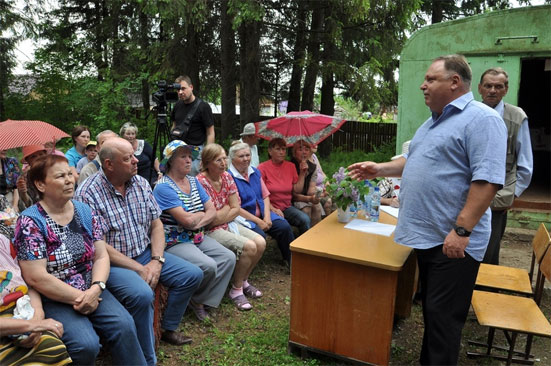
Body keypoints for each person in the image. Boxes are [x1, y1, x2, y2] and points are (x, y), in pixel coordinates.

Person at [348, 54, 507, 365]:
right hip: (431, 237)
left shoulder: (482, 120)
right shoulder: (434, 121)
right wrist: (378, 169)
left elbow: (487, 181)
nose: (423, 85)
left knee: (444, 319)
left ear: (455, 82)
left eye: (431, 79)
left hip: (454, 242)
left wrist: (461, 231)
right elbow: (413, 161)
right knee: (434, 311)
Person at [75, 137, 203, 364]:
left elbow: (156, 224)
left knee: (192, 275)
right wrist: (139, 268)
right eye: (128, 158)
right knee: (142, 294)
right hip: (112, 263)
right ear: (109, 164)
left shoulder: (141, 183)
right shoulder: (88, 193)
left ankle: (167, 328)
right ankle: (147, 358)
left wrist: (156, 260)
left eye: (134, 155)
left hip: (144, 252)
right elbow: (99, 247)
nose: (136, 161)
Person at [13, 154, 146, 365]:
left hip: (90, 286)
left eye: (69, 174)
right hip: (54, 295)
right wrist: (80, 298)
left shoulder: (84, 211)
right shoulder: (30, 221)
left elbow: (100, 256)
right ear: (40, 184)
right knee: (86, 344)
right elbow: (35, 276)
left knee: (124, 325)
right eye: (60, 176)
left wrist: (96, 288)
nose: (69, 180)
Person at [153, 140, 235, 321]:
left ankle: (201, 299)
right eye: (183, 156)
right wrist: (199, 216)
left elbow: (212, 210)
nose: (189, 160)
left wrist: (196, 219)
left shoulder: (193, 180)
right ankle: (197, 303)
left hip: (197, 235)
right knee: (209, 265)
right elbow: (186, 220)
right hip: (175, 241)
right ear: (171, 161)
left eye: (190, 156)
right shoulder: (163, 187)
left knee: (228, 258)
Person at [196, 144, 266, 311]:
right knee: (249, 247)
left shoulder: (227, 177)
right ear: (207, 163)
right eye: (218, 159)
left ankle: (243, 281)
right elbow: (210, 221)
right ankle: (236, 291)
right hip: (210, 231)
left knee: (261, 242)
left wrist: (225, 211)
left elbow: (236, 208)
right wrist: (228, 209)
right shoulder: (200, 181)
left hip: (229, 223)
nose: (223, 162)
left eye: (224, 158)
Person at [478, 67, 533, 265]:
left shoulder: (516, 117)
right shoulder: (471, 113)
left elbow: (525, 165)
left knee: (488, 254)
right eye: (488, 85)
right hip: (467, 195)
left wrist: (511, 194)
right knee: (463, 249)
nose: (492, 90)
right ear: (480, 88)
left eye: (498, 86)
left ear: (505, 89)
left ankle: (488, 293)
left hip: (497, 200)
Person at [0, 233, 72, 366]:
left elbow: (28, 286)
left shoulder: (3, 242)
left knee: (53, 347)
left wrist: (38, 316)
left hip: (21, 310)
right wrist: (33, 325)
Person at [228, 142, 295, 265]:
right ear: (232, 159)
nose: (246, 159)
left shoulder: (254, 171)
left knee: (284, 227)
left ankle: (290, 260)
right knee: (259, 235)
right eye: (241, 156)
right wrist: (259, 222)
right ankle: (249, 268)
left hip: (263, 212)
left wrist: (267, 217)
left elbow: (265, 195)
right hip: (244, 217)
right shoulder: (229, 177)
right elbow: (236, 208)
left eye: (248, 155)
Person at [258, 138, 311, 235]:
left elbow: (297, 190)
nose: (282, 152)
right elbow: (259, 194)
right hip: (270, 208)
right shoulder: (262, 168)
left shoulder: (290, 166)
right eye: (278, 149)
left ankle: (305, 246)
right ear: (270, 151)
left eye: (284, 149)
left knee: (305, 219)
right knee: (285, 226)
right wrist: (272, 208)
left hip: (286, 207)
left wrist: (302, 173)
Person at [170, 75, 215, 176]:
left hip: (196, 153)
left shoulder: (203, 107)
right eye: (178, 90)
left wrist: (206, 158)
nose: (180, 92)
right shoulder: (177, 105)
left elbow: (210, 133)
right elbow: (174, 126)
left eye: (183, 88)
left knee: (194, 185)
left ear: (191, 87)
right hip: (178, 151)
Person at [290, 140, 322, 226]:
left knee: (317, 207)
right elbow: (293, 195)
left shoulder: (313, 167)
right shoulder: (289, 166)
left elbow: (310, 191)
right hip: (293, 199)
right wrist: (302, 173)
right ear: (294, 152)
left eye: (307, 149)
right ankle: (305, 236)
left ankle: (315, 234)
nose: (304, 152)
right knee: (306, 209)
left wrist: (319, 194)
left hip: (305, 195)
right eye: (300, 149)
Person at [16, 145, 48, 210]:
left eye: (41, 154)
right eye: (33, 156)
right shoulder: (24, 179)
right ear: (28, 161)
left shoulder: (55, 171)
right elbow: (28, 205)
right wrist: (23, 193)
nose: (38, 158)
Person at [309, 145, 333, 216]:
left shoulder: (314, 156)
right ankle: (327, 224)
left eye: (316, 142)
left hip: (324, 188)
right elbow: (309, 187)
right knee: (328, 202)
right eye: (312, 143)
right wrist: (323, 191)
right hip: (317, 191)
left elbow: (321, 172)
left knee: (339, 196)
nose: (316, 145)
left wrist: (328, 184)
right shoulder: (304, 162)